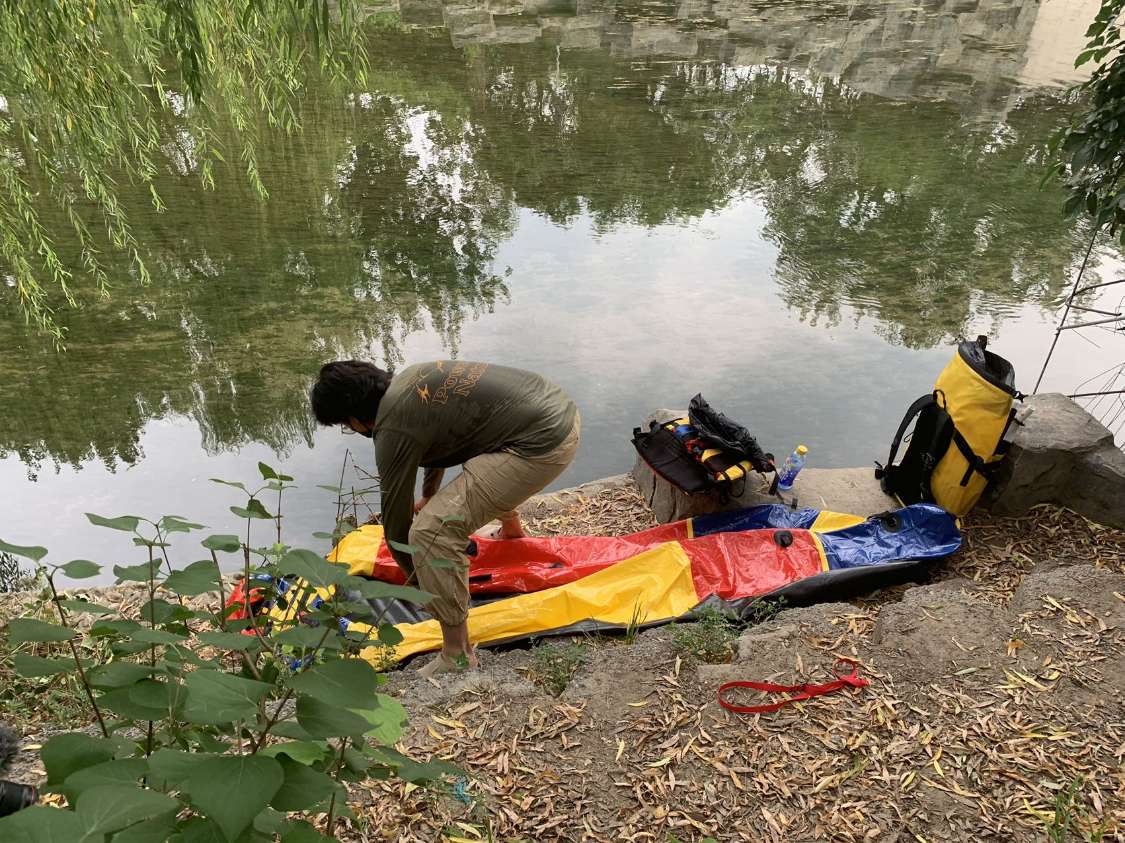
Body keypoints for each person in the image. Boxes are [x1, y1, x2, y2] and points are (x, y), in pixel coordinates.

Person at [310, 359, 579, 675]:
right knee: (478, 446)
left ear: (354, 418)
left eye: (344, 424)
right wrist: (429, 495)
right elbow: (440, 440)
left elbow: (397, 531)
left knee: (430, 532)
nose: (349, 430)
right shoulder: (410, 382)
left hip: (542, 445)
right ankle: (511, 531)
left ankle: (456, 654)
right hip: (555, 409)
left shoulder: (391, 427)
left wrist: (423, 585)